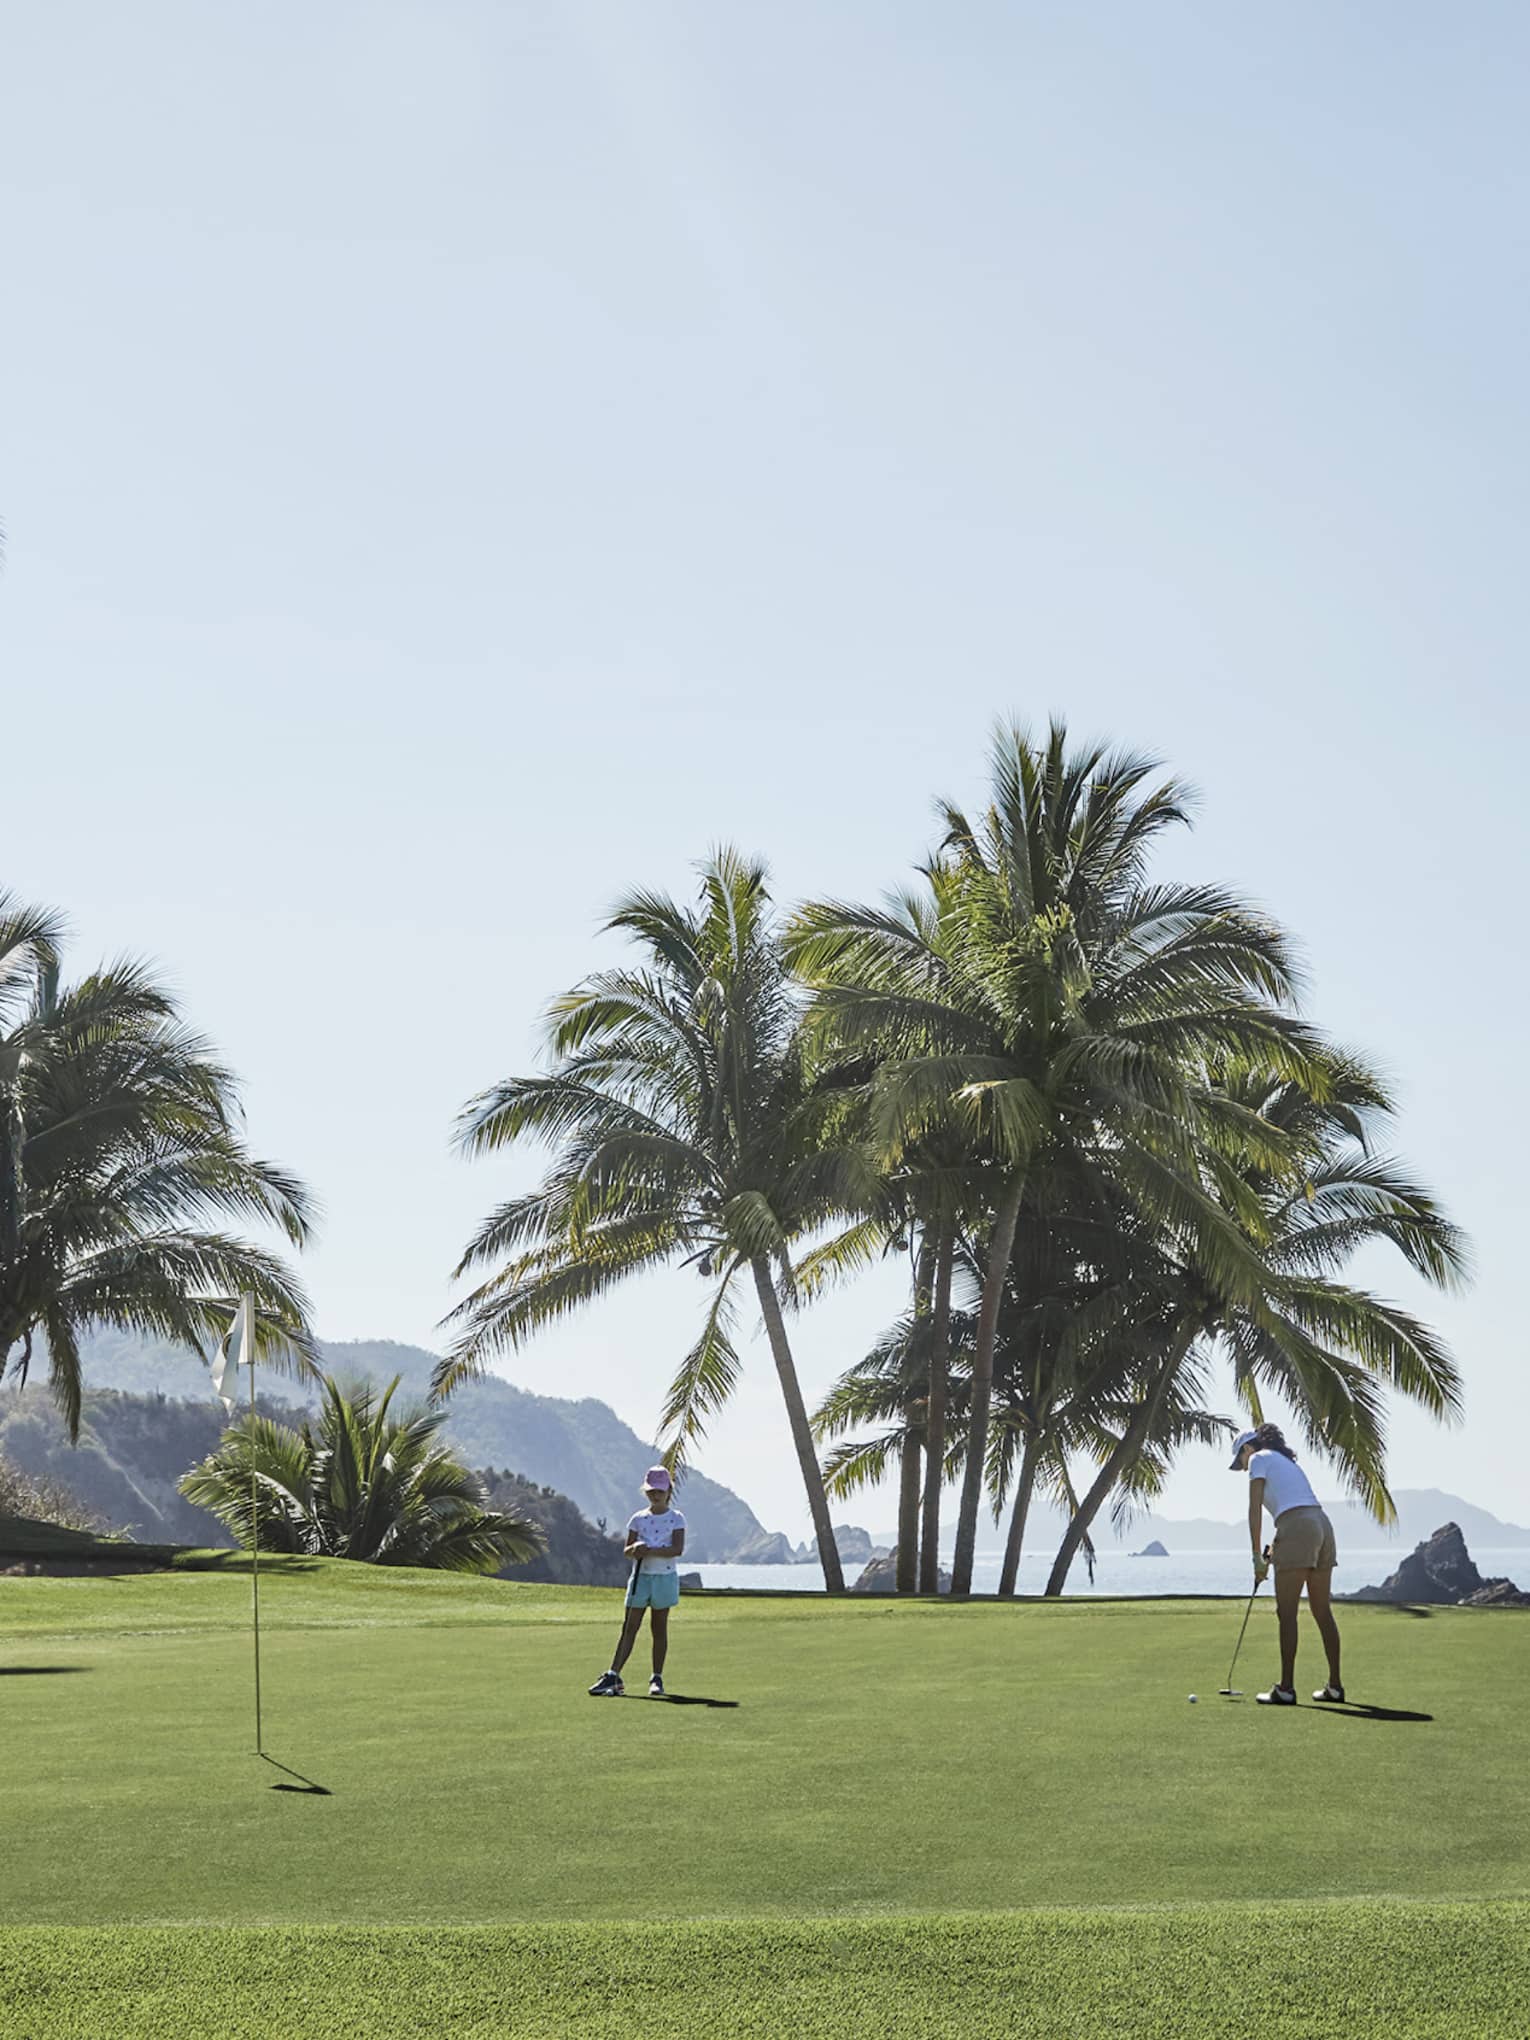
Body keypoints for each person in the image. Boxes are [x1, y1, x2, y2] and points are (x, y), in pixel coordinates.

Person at [1231, 1424, 1344, 1707]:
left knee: (1287, 1612)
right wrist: (1270, 1554)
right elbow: (1290, 1512)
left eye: (1240, 1460)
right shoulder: (1285, 1462)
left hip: (1298, 1527)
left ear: (1247, 1449)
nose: (1243, 1468)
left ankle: (1286, 1688)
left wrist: (1256, 1556)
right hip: (1321, 1525)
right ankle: (1335, 1686)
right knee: (1321, 1610)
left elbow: (1254, 1509)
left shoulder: (1258, 1458)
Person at [588, 1467, 686, 1698]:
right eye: (651, 1491)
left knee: (658, 1628)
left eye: (660, 1491)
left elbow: (677, 1549)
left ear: (668, 1491)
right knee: (629, 1627)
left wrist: (649, 1549)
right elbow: (627, 1551)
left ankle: (656, 1678)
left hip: (664, 1579)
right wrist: (635, 1548)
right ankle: (613, 1675)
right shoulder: (638, 1518)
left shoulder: (676, 1518)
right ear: (646, 1490)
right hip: (640, 1579)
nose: (656, 1495)